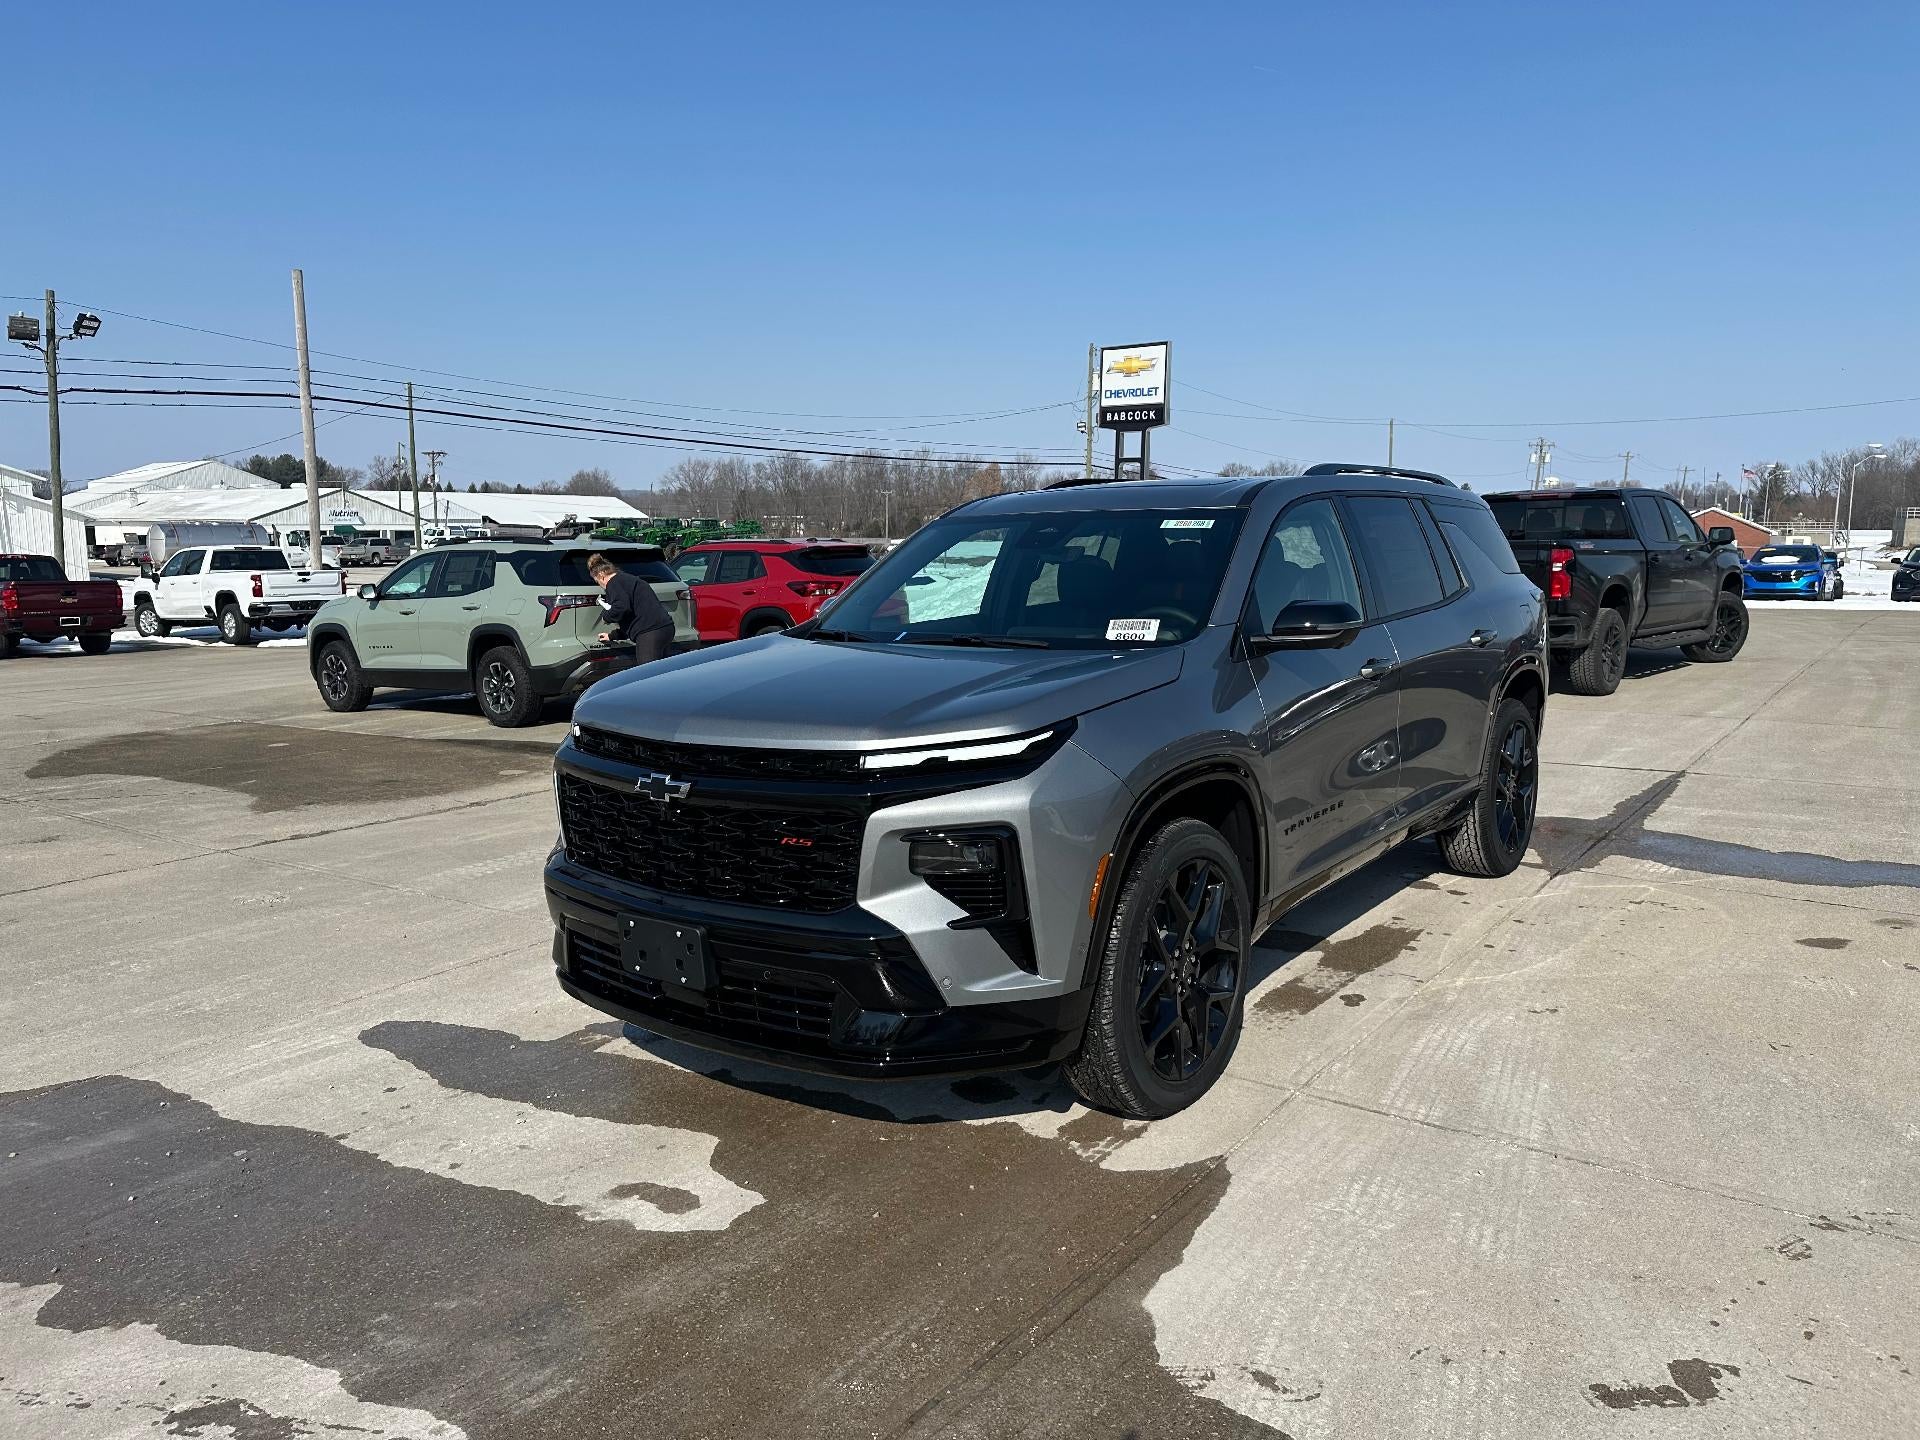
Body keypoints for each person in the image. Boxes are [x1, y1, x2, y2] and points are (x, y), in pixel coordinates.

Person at [588, 553, 674, 664]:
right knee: (661, 672)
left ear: (601, 575)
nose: (600, 585)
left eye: (597, 581)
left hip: (650, 633)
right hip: (665, 629)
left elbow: (621, 608)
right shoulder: (627, 579)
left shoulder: (613, 583)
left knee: (647, 674)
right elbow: (632, 616)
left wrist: (606, 617)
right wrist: (612, 636)